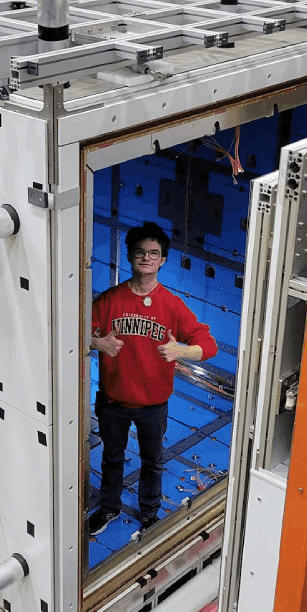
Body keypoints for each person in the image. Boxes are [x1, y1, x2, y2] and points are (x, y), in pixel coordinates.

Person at [88, 222, 218, 535]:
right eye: (140, 252)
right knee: (111, 458)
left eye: (154, 253)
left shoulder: (172, 305)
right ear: (130, 257)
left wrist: (180, 352)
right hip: (113, 401)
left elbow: (209, 345)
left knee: (152, 461)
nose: (147, 257)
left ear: (162, 260)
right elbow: (76, 327)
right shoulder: (109, 300)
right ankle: (109, 509)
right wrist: (97, 342)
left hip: (152, 405)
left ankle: (149, 514)